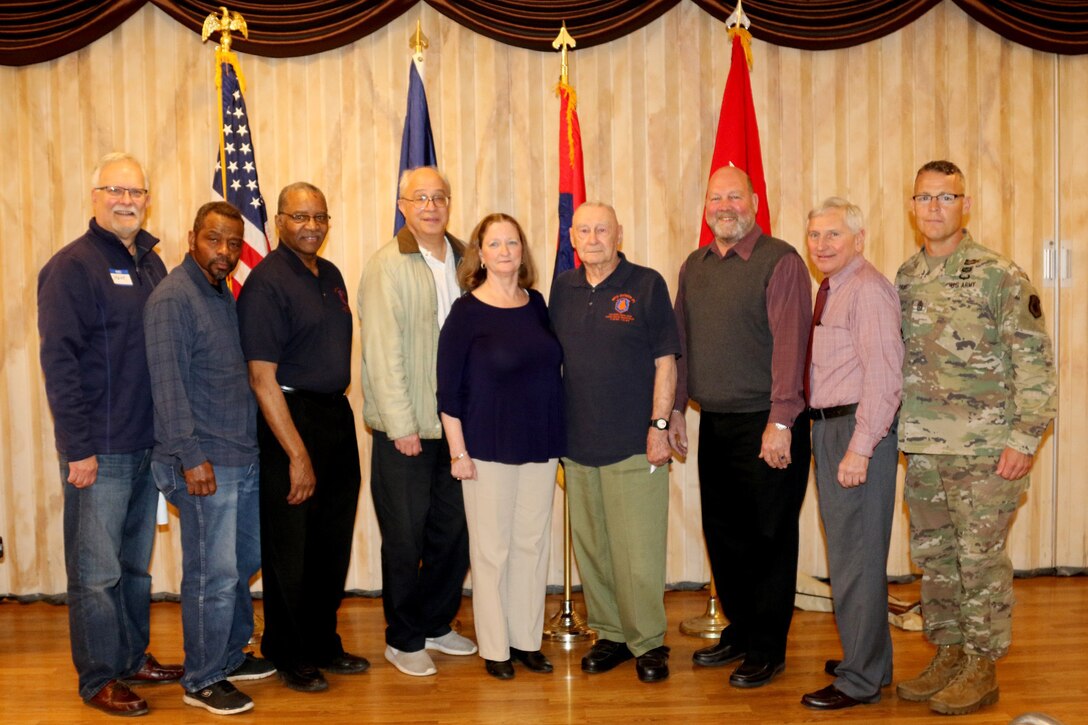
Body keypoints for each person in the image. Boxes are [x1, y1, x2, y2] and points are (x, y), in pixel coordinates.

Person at [895, 160, 1056, 716]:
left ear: (966, 205)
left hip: (986, 451)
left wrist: (1025, 439)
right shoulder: (907, 276)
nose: (934, 207)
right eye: (924, 197)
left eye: (946, 196)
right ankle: (949, 654)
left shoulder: (998, 275)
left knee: (979, 562)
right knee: (936, 560)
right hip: (924, 449)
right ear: (912, 207)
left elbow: (1034, 362)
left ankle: (982, 668)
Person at [38, 152, 182, 716]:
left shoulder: (152, 264)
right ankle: (99, 677)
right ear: (94, 196)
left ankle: (130, 657)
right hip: (98, 450)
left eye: (137, 191)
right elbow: (60, 363)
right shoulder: (72, 266)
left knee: (133, 567)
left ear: (148, 199)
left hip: (147, 444)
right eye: (115, 190)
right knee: (95, 574)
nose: (127, 200)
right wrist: (78, 449)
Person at [669, 165, 812, 688]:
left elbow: (791, 347)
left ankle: (768, 647)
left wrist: (780, 421)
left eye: (734, 196)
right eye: (715, 198)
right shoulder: (695, 265)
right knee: (724, 535)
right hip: (717, 423)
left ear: (754, 201)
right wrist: (678, 407)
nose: (724, 205)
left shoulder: (781, 261)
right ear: (705, 207)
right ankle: (743, 628)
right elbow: (681, 342)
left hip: (769, 422)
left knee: (769, 537)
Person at [144, 202, 276, 715]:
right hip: (202, 462)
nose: (224, 252)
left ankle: (228, 653)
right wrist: (190, 457)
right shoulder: (173, 297)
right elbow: (168, 385)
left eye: (232, 243)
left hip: (239, 455)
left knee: (242, 563)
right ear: (193, 237)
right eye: (214, 241)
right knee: (211, 574)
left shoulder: (221, 295)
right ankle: (202, 677)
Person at [237, 182, 368, 693]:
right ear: (278, 223)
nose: (311, 226)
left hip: (334, 413)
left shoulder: (330, 274)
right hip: (288, 418)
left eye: (319, 217)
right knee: (291, 546)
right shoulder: (268, 282)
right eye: (299, 217)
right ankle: (288, 650)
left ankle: (320, 638)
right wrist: (297, 454)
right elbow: (261, 377)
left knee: (331, 540)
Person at [549, 202, 680, 683]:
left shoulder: (646, 284)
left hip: (635, 442)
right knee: (595, 549)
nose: (593, 237)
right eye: (583, 230)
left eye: (602, 228)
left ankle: (649, 642)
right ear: (572, 236)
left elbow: (666, 360)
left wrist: (659, 426)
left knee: (638, 551)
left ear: (618, 233)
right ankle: (610, 635)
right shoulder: (562, 288)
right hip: (576, 444)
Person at [358, 166, 477, 677]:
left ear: (450, 203)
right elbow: (383, 353)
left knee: (453, 533)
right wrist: (402, 423)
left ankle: (434, 622)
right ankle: (403, 637)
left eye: (439, 197)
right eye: (419, 197)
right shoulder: (387, 265)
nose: (430, 206)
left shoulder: (468, 259)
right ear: (402, 205)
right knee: (405, 538)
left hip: (458, 430)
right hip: (405, 429)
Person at [436, 213, 564, 680]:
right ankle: (495, 648)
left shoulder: (537, 304)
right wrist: (458, 453)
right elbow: (448, 393)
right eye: (495, 244)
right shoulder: (466, 311)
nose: (506, 251)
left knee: (532, 546)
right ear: (481, 254)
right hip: (486, 448)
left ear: (522, 252)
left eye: (513, 242)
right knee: (493, 551)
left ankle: (525, 641)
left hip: (541, 442)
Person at [800, 198, 903, 710]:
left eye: (833, 235)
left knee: (857, 561)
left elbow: (885, 381)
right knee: (850, 557)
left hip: (858, 432)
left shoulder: (868, 291)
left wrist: (859, 450)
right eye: (815, 235)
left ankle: (859, 680)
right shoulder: (832, 290)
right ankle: (871, 662)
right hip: (832, 430)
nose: (821, 244)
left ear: (859, 240)